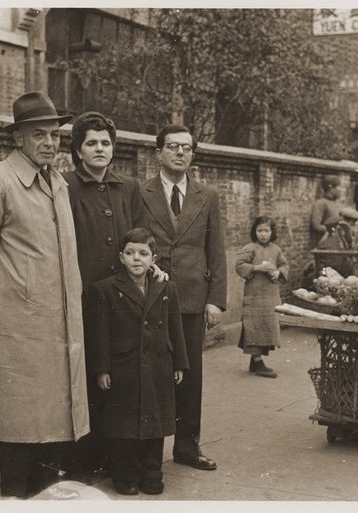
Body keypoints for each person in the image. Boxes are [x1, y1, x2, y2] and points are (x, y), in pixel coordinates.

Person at [0, 91, 88, 499]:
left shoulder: (57, 182)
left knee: (54, 425)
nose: (49, 143)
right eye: (38, 135)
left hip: (61, 326)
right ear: (18, 139)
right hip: (18, 325)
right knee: (18, 420)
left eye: (55, 135)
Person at [61, 111, 163, 477]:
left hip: (122, 302)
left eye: (105, 143)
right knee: (87, 374)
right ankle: (84, 459)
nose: (100, 149)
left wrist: (150, 266)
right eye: (91, 143)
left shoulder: (128, 188)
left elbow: (142, 237)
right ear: (78, 150)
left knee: (118, 378)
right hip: (85, 298)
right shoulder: (65, 187)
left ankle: (116, 456)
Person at [138, 124, 227, 471]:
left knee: (190, 377)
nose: (180, 153)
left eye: (187, 148)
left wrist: (215, 299)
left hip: (192, 297)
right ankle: (148, 452)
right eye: (173, 147)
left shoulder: (208, 196)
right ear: (158, 152)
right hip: (151, 297)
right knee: (153, 374)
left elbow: (215, 249)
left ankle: (187, 446)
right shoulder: (141, 192)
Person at [87, 228, 189, 495]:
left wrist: (179, 362)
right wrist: (102, 369)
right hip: (124, 368)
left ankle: (152, 472)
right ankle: (126, 475)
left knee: (155, 423)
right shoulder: (107, 289)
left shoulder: (166, 287)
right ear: (121, 257)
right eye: (130, 253)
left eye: (143, 254)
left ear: (153, 258)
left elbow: (175, 328)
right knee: (124, 426)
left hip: (157, 366)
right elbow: (101, 334)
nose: (136, 259)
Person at [235, 216, 289, 378]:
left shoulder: (276, 250)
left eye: (266, 231)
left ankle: (255, 361)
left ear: (272, 232)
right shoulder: (250, 248)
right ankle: (257, 361)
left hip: (270, 296)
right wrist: (257, 268)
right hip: (254, 296)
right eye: (260, 231)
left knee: (267, 326)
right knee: (254, 326)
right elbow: (239, 265)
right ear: (254, 232)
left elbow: (284, 265)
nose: (263, 234)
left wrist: (278, 272)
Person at [309, 174, 344, 248]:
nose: (340, 190)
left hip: (337, 243)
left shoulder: (335, 203)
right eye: (338, 187)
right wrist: (332, 230)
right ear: (331, 188)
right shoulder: (320, 203)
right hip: (325, 244)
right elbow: (316, 225)